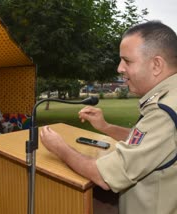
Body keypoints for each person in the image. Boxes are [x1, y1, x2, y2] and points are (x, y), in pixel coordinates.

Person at [40, 21, 177, 214]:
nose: (119, 68)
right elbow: (150, 144)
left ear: (156, 65)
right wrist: (105, 127)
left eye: (127, 61)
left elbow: (104, 177)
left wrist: (60, 148)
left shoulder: (163, 111)